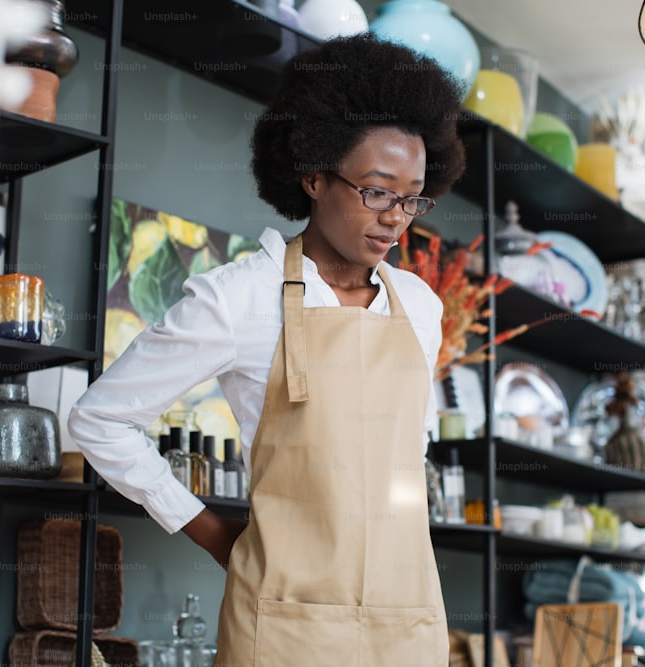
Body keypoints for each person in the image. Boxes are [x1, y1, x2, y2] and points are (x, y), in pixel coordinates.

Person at [68, 33, 466, 667]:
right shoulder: (239, 298)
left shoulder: (420, 306)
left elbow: (407, 457)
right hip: (283, 625)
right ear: (313, 176)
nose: (397, 217)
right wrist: (215, 535)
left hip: (407, 617)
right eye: (377, 191)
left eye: (414, 196)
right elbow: (99, 419)